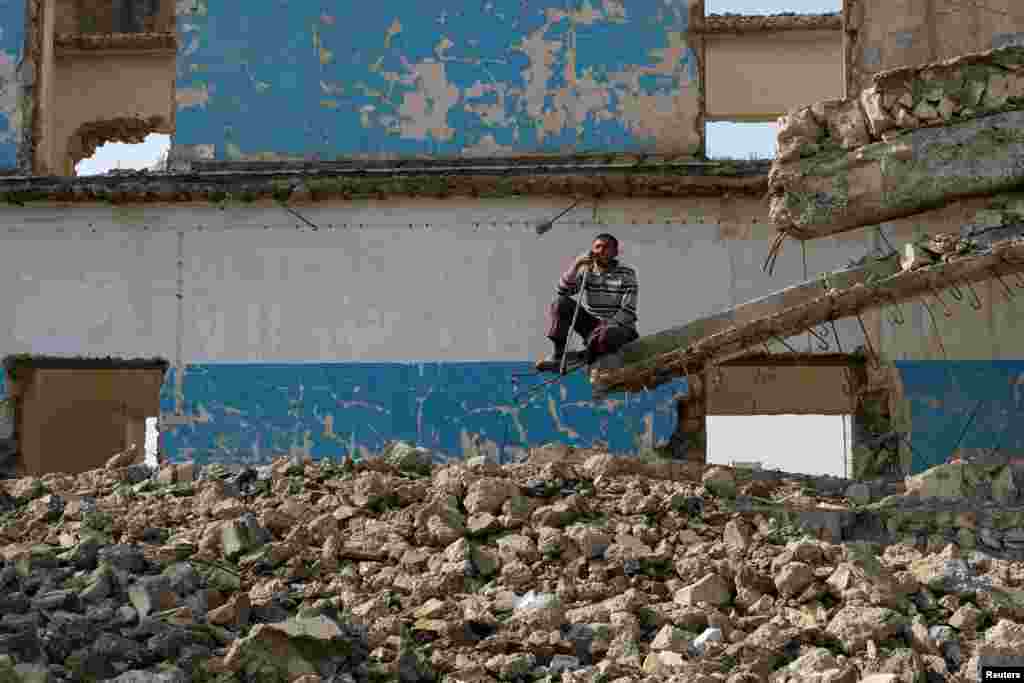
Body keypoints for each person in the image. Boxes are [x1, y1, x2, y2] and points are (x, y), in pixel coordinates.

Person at [536, 233, 639, 373]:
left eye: (606, 247)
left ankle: (581, 357)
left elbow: (628, 311)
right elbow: (563, 291)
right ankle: (559, 356)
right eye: (597, 247)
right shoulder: (588, 271)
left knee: (606, 335)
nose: (601, 251)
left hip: (620, 329)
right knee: (560, 304)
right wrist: (577, 264)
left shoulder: (627, 273)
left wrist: (603, 327)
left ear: (615, 252)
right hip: (595, 329)